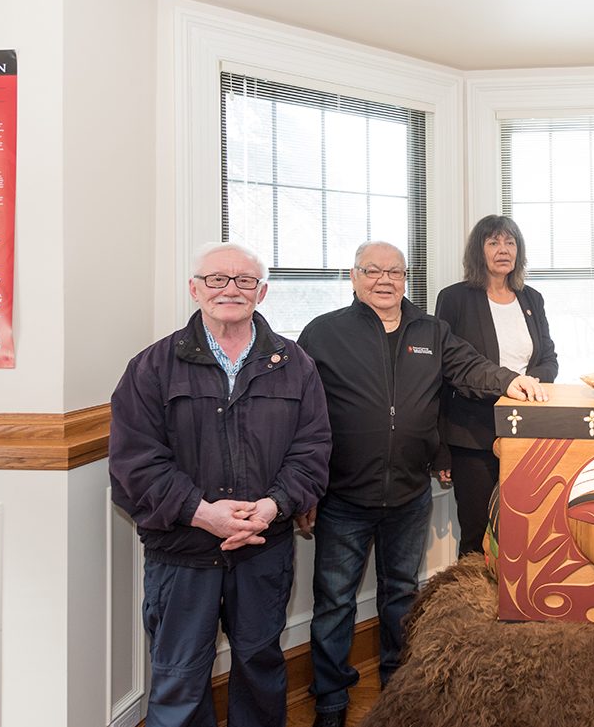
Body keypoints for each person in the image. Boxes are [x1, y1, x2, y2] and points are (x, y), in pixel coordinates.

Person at [298, 240, 547, 727]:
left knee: (399, 596)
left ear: (405, 277)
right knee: (334, 603)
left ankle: (398, 683)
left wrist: (507, 381)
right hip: (343, 498)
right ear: (353, 277)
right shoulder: (323, 334)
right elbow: (301, 416)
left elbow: (468, 367)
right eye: (373, 271)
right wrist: (304, 489)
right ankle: (330, 698)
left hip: (409, 495)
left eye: (394, 271)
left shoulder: (431, 330)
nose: (384, 280)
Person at [109, 242, 331, 727]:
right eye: (216, 279)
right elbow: (135, 463)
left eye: (244, 280)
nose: (230, 289)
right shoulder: (152, 367)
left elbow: (312, 452)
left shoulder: (294, 364)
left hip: (262, 548)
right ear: (195, 289)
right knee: (180, 677)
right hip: (182, 552)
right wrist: (202, 512)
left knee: (260, 669)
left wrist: (274, 506)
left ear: (262, 292)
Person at [435, 214, 558, 557]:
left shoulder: (531, 298)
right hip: (472, 434)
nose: (503, 250)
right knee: (476, 531)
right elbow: (444, 370)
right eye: (493, 242)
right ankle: (473, 605)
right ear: (479, 251)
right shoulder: (455, 298)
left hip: (527, 431)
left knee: (525, 525)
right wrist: (440, 448)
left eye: (510, 242)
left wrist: (530, 383)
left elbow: (549, 359)